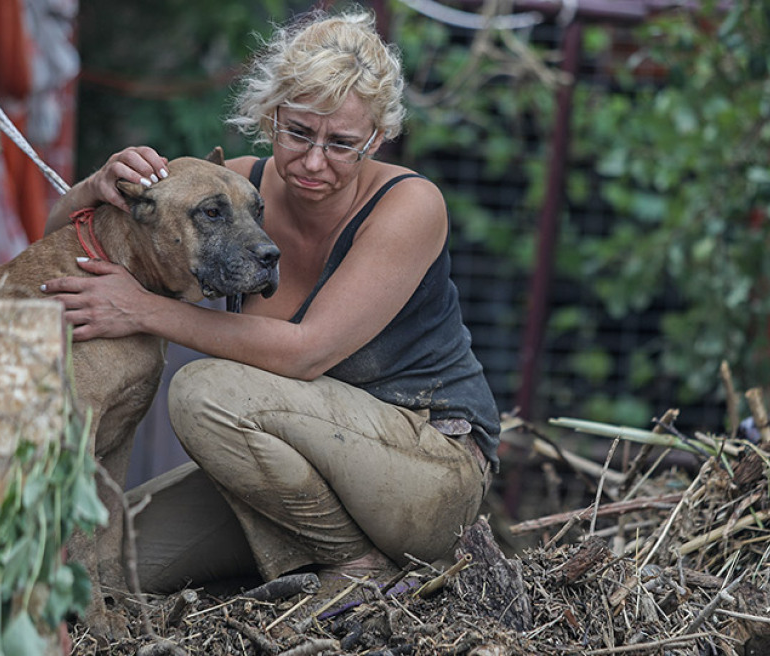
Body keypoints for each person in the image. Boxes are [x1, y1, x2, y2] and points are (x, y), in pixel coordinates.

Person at [40, 6, 500, 594]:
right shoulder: (228, 191)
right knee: (112, 570)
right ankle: (305, 556)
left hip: (428, 469)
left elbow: (304, 354)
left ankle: (354, 566)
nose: (313, 162)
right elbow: (62, 243)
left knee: (203, 391)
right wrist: (94, 187)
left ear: (377, 140)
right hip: (293, 467)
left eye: (341, 144)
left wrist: (143, 308)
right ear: (272, 116)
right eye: (299, 133)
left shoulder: (410, 206)